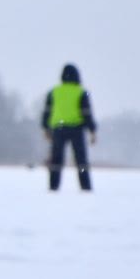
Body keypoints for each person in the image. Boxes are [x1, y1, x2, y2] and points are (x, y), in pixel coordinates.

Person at [40, 64, 96, 192]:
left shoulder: (54, 92)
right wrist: (92, 131)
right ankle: (85, 188)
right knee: (81, 160)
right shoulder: (81, 92)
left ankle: (53, 187)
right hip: (77, 129)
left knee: (56, 160)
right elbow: (86, 113)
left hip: (58, 129)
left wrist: (45, 128)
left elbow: (47, 112)